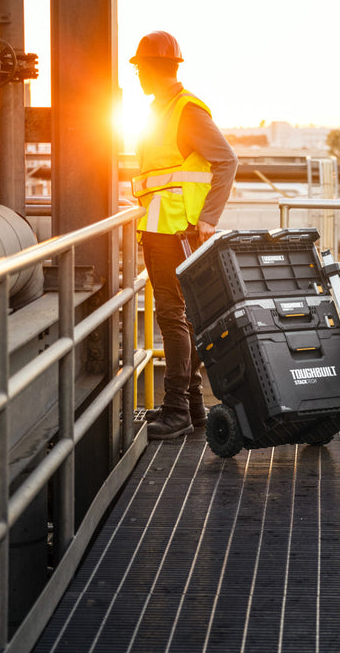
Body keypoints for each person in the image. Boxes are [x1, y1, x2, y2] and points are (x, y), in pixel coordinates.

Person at [129, 30, 238, 440]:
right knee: (180, 318)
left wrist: (209, 217)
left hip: (177, 230)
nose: (139, 75)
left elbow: (226, 160)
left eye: (142, 68)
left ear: (157, 68)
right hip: (159, 228)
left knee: (173, 318)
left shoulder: (186, 111)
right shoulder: (160, 110)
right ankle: (192, 409)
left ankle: (175, 409)